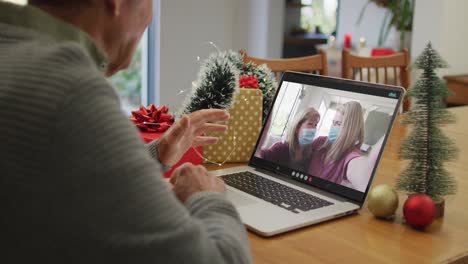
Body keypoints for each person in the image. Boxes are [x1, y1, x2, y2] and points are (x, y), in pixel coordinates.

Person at [0, 1, 251, 263]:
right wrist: (205, 195)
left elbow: (66, 172)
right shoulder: (69, 91)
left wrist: (156, 154)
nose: (150, 17)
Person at [307, 101, 365, 189]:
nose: (333, 127)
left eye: (338, 124)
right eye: (333, 123)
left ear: (350, 129)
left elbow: (357, 171)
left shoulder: (352, 155)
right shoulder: (320, 142)